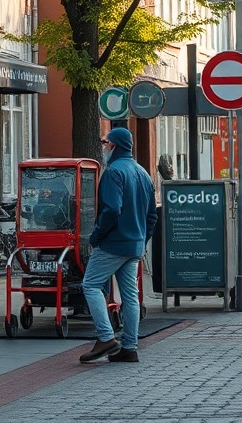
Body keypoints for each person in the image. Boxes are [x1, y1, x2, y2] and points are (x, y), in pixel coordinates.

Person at [78, 127, 158, 364]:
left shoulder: (113, 173)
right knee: (130, 296)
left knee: (91, 284)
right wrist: (142, 240)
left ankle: (106, 338)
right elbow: (152, 216)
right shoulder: (143, 173)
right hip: (134, 245)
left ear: (113, 146)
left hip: (113, 242)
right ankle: (130, 347)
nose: (104, 148)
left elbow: (112, 209)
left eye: (105, 143)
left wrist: (97, 236)